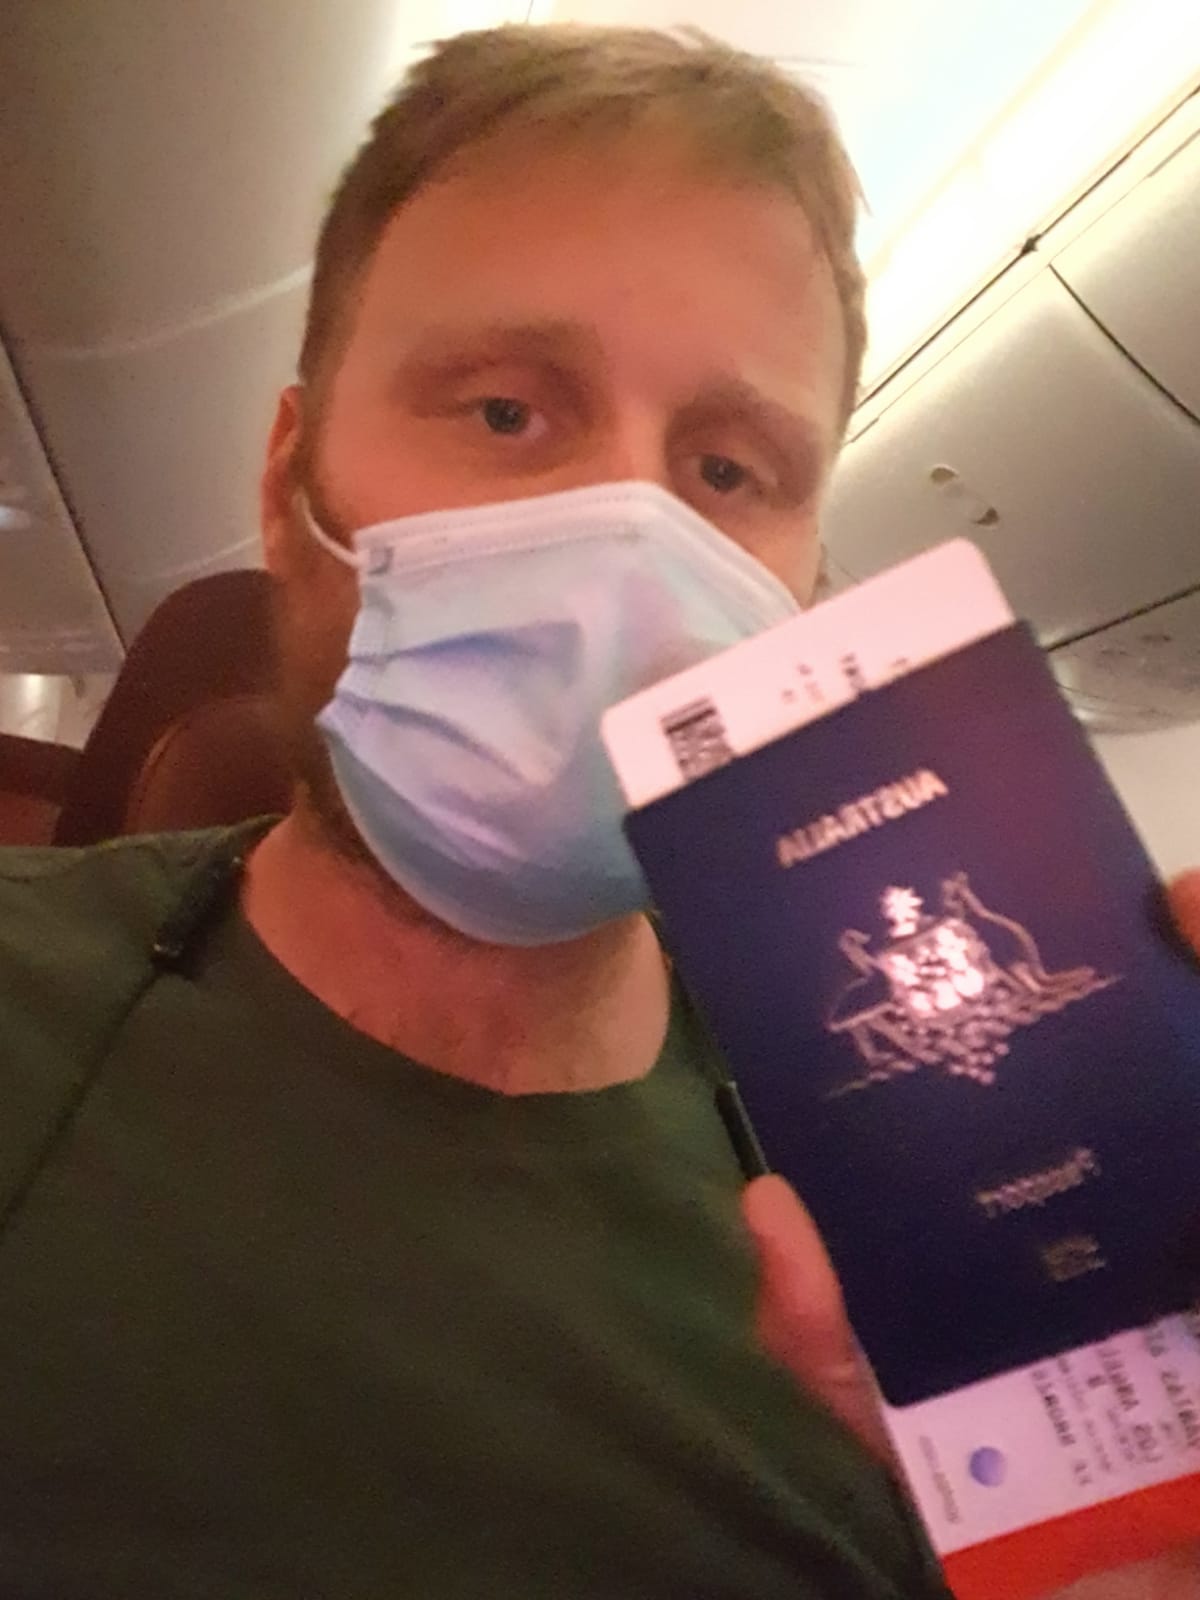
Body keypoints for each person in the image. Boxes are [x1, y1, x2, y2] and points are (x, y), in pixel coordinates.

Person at [0, 23, 1196, 1598]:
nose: (621, 545)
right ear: (289, 481)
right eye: (506, 412)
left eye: (725, 468)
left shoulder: (923, 1198)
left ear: (805, 591)